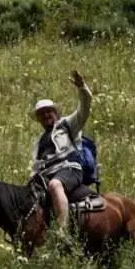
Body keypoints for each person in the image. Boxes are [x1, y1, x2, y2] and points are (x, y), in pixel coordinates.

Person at [30, 70, 92, 235]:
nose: (45, 115)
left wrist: (82, 88)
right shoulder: (38, 141)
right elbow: (35, 166)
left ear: (55, 112)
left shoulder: (67, 125)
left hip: (69, 169)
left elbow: (84, 108)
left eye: (48, 111)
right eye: (41, 114)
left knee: (55, 185)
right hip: (45, 174)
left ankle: (62, 231)